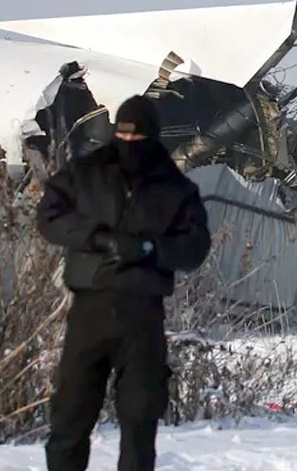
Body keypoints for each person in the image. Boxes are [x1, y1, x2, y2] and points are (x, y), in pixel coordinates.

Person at [37, 95, 211, 471]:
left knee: (140, 419)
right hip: (90, 310)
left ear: (152, 135)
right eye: (123, 135)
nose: (129, 144)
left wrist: (152, 249)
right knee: (70, 416)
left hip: (143, 315)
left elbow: (195, 248)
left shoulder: (174, 187)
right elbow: (49, 216)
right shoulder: (86, 173)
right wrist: (99, 239)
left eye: (138, 137)